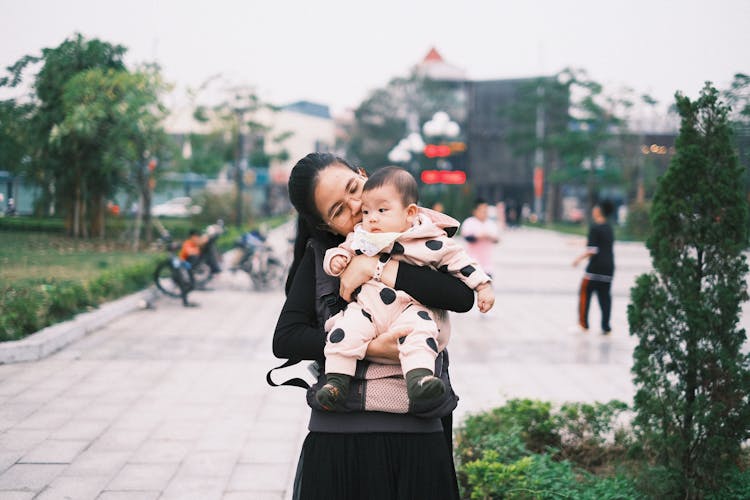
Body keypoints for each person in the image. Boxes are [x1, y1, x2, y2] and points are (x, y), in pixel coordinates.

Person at [274, 153, 474, 499]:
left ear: (363, 173)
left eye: (355, 188)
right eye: (338, 210)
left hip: (417, 428)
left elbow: (462, 298)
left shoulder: (420, 238)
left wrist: (375, 269)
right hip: (339, 438)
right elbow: (286, 339)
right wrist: (368, 348)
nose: (356, 206)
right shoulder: (324, 258)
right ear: (325, 226)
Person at [317, 167, 494, 410]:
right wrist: (335, 260)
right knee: (345, 329)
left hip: (409, 310)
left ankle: (420, 380)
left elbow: (460, 263)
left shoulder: (427, 237)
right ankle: (336, 382)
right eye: (367, 212)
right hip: (369, 309)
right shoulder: (363, 236)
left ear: (409, 212)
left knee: (420, 332)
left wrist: (483, 285)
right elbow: (342, 250)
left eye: (380, 210)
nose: (368, 216)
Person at [572, 200, 615, 334]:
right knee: (605, 297)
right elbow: (601, 244)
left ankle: (583, 325)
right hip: (609, 267)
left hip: (595, 268)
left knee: (585, 293)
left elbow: (593, 250)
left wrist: (578, 259)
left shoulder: (594, 227)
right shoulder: (608, 227)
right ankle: (606, 327)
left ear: (598, 211)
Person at [461, 198, 500, 279]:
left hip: (487, 267)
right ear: (475, 211)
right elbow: (467, 237)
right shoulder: (469, 222)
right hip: (472, 264)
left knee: (486, 290)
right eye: (481, 210)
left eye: (485, 210)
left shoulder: (491, 224)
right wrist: (479, 236)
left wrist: (490, 237)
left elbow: (497, 239)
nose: (484, 212)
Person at [177, 229, 206, 307]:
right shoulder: (187, 243)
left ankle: (185, 300)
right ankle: (185, 301)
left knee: (191, 285)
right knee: (187, 284)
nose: (197, 238)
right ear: (192, 237)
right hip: (182, 267)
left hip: (188, 267)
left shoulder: (194, 244)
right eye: (196, 237)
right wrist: (198, 247)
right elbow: (190, 252)